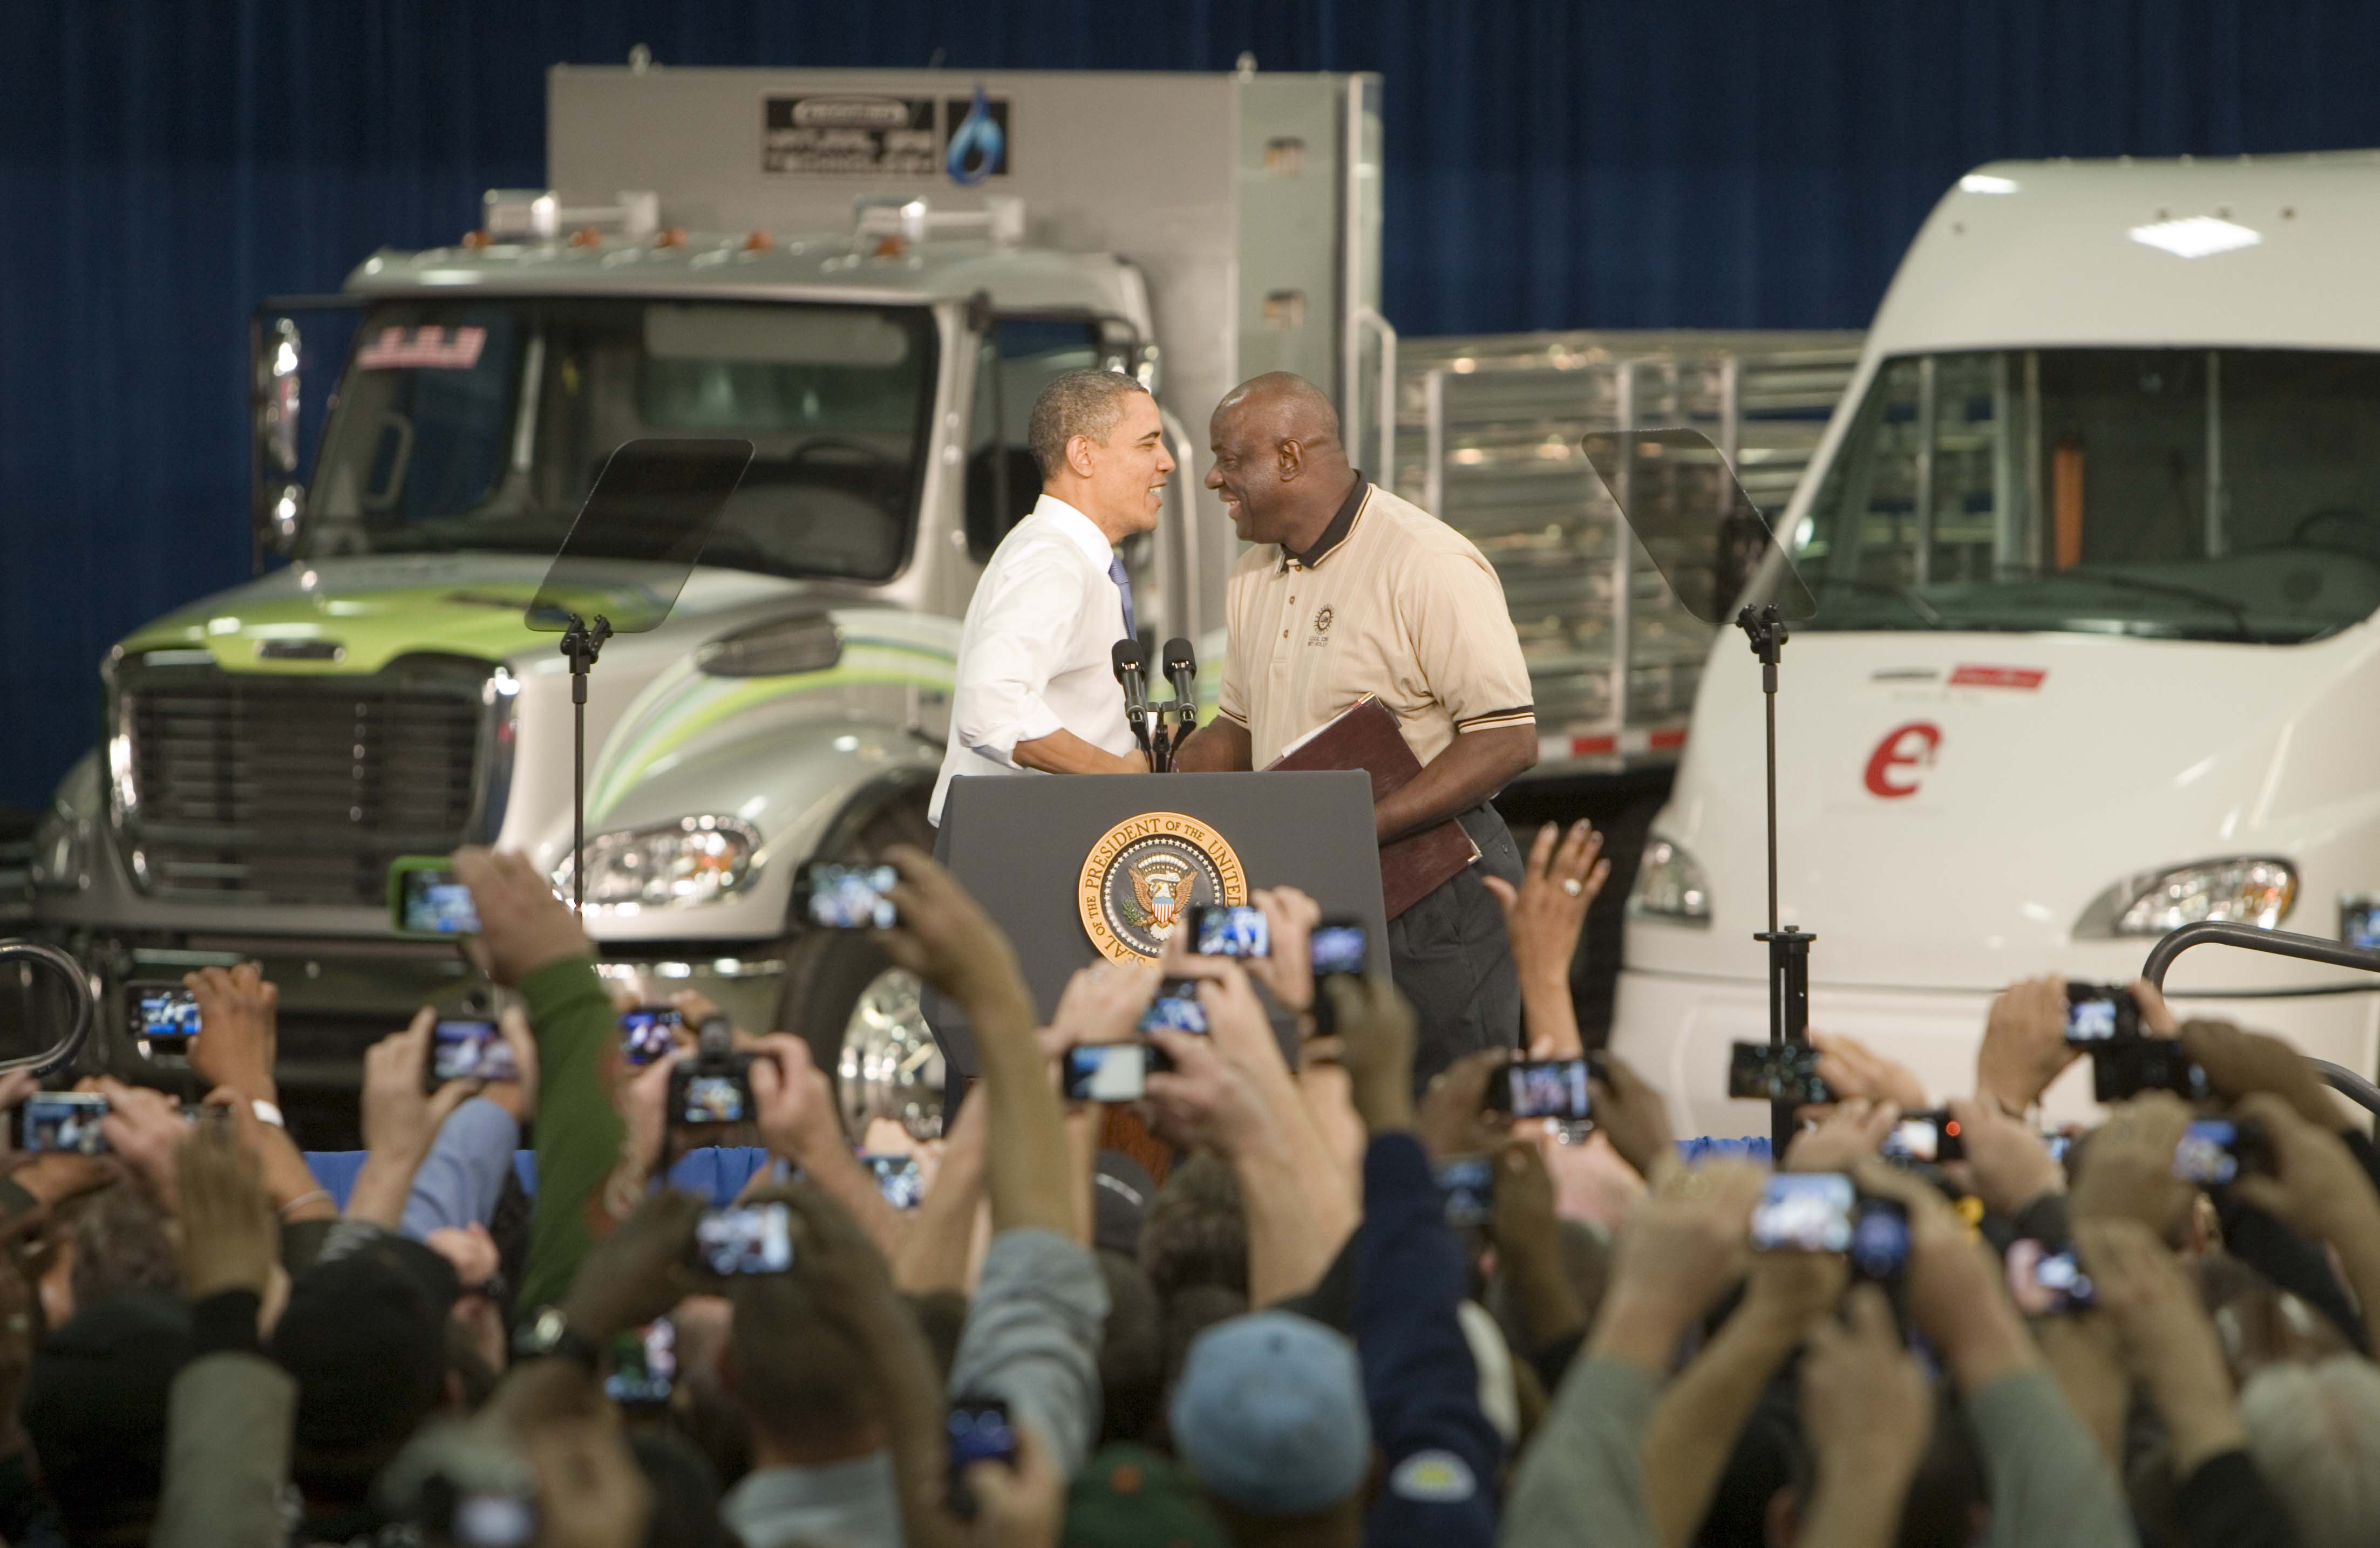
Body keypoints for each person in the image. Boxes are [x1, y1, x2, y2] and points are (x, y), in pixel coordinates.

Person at [1173, 372, 1536, 1081]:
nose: (1214, 477)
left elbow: (1506, 739)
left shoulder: (1423, 561)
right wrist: (1146, 785)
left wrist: (1357, 823)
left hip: (1436, 896)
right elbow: (1238, 733)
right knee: (1333, 1115)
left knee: (1450, 1117)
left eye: (1229, 458)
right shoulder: (1254, 573)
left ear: (1286, 459)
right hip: (1316, 885)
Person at [930, 367, 1172, 824]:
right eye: (1147, 443)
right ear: (1083, 455)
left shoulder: (1070, 558)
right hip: (1014, 852)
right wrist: (1117, 775)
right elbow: (991, 707)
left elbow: (1074, 703)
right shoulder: (1052, 561)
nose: (1167, 461)